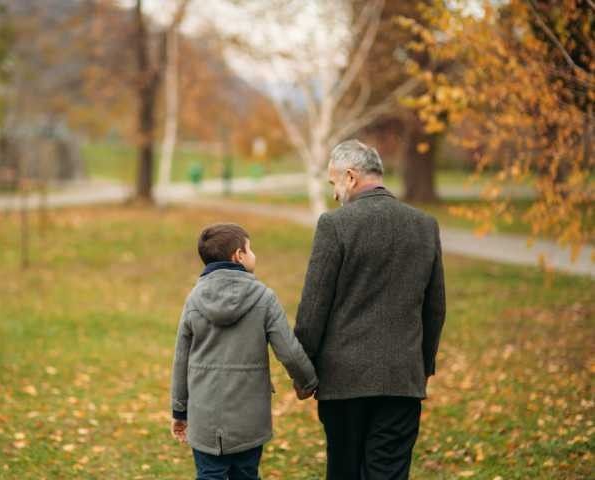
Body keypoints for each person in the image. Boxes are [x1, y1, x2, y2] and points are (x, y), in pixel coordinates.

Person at [295, 139, 446, 479]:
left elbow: (313, 309)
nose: (334, 193)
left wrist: (303, 372)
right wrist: (421, 365)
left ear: (350, 177)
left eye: (334, 183)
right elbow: (435, 308)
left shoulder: (335, 225)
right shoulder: (425, 225)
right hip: (401, 379)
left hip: (342, 381)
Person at [170, 223, 318, 480]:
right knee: (246, 474)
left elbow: (181, 359)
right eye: (250, 249)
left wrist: (179, 411)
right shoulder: (263, 297)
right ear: (238, 255)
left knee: (209, 474)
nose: (254, 255)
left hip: (205, 417)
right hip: (249, 419)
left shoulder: (194, 299)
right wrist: (307, 382)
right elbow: (289, 351)